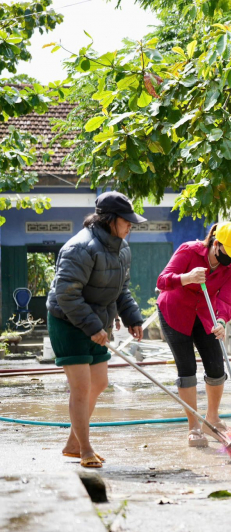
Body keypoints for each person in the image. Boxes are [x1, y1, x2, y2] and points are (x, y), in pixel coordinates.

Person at [47, 191, 146, 468]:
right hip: (68, 321)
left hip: (96, 321)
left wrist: (132, 317)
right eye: (126, 221)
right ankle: (85, 448)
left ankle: (72, 443)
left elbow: (121, 289)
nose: (130, 226)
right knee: (81, 387)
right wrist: (92, 327)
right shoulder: (80, 247)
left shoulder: (122, 247)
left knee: (99, 382)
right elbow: (67, 296)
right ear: (110, 220)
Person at [156, 222, 231, 447]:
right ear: (216, 244)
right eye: (229, 253)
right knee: (187, 368)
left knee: (216, 366)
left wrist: (222, 321)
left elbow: (225, 301)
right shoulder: (189, 251)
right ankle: (193, 426)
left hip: (205, 315)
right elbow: (162, 281)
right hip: (174, 311)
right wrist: (187, 278)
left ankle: (212, 419)